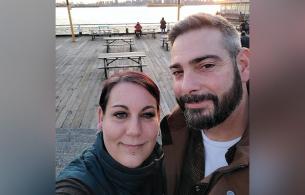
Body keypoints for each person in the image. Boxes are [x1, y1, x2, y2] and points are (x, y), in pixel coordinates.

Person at [161, 13, 250, 195]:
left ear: (243, 66)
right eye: (178, 72)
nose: (187, 86)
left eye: (207, 66)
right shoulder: (173, 130)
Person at [56, 71, 165, 195]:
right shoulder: (77, 183)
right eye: (120, 114)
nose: (134, 131)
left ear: (158, 117)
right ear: (101, 118)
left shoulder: (174, 164)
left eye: (147, 114)